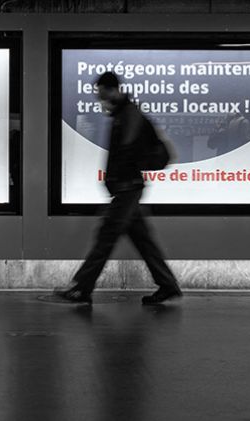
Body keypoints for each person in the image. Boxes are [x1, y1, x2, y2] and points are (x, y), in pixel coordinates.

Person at [54, 71, 182, 305]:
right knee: (143, 241)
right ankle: (168, 285)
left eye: (102, 95)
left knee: (106, 238)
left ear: (112, 90)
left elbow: (125, 150)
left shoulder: (129, 114)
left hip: (127, 189)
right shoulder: (123, 114)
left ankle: (82, 288)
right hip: (127, 188)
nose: (101, 100)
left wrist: (115, 181)